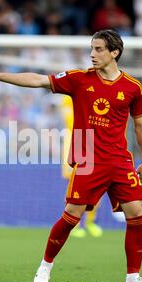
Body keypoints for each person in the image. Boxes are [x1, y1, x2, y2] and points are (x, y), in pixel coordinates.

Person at [0, 29, 142, 282]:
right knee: (72, 214)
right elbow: (38, 80)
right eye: (92, 48)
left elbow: (140, 125)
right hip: (88, 157)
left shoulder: (132, 87)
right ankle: (44, 267)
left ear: (114, 52)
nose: (92, 54)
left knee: (136, 213)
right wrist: (0, 76)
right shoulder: (78, 79)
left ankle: (133, 279)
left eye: (99, 49)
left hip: (119, 160)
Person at [60, 95, 103, 238]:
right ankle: (74, 223)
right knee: (73, 183)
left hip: (93, 138)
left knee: (97, 182)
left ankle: (90, 221)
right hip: (74, 138)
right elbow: (70, 119)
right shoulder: (68, 96)